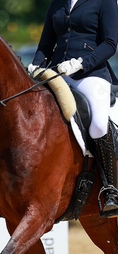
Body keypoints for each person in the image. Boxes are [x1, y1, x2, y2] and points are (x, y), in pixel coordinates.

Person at [28, 0, 118, 217]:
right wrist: (35, 65)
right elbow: (45, 45)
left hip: (90, 74)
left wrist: (82, 63)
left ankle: (110, 190)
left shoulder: (104, 1)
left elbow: (110, 43)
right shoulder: (57, 3)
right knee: (27, 114)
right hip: (57, 73)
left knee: (97, 124)